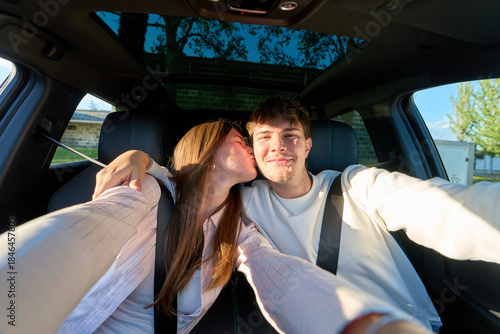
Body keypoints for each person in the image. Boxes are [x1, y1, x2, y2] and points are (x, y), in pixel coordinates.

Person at [94, 98, 500, 333]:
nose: (278, 147)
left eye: (290, 136)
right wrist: (139, 156)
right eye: (263, 138)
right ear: (251, 148)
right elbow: (184, 184)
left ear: (307, 145)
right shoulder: (241, 205)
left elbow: (445, 208)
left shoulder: (358, 186)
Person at [0, 119, 430, 334]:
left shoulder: (239, 229)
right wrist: (12, 299)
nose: (251, 140)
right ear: (205, 144)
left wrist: (367, 324)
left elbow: (283, 276)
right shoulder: (147, 189)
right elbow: (86, 230)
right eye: (239, 134)